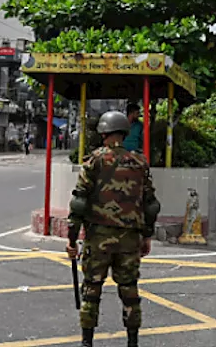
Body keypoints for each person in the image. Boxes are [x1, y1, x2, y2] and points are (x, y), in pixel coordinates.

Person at [67, 111, 159, 347]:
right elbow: (151, 205)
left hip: (98, 238)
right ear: (124, 132)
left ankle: (87, 342)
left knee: (91, 290)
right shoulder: (139, 163)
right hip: (130, 240)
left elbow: (79, 202)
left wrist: (71, 239)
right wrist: (147, 235)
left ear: (104, 133)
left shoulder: (94, 161)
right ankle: (132, 342)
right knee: (129, 291)